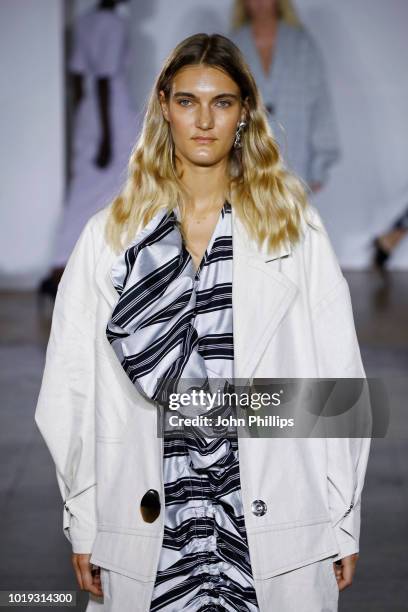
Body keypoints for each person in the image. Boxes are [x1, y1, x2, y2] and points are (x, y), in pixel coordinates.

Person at [34, 33, 371, 611]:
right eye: (188, 101)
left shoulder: (292, 230)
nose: (204, 120)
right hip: (150, 519)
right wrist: (85, 520)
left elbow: (338, 383)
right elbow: (69, 392)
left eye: (222, 102)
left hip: (273, 515)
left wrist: (341, 517)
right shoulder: (111, 238)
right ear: (164, 105)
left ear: (244, 113)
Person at [38, 0, 137, 299]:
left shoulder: (85, 22)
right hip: (111, 119)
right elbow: (105, 79)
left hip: (90, 113)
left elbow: (79, 77)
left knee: (88, 191)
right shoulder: (113, 24)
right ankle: (72, 269)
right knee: (121, 186)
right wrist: (106, 136)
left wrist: (87, 116)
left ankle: (68, 266)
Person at [230, 0, 340, 193]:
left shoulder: (301, 43)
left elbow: (320, 104)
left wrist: (320, 163)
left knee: (288, 220)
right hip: (246, 160)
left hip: (296, 159)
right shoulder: (233, 45)